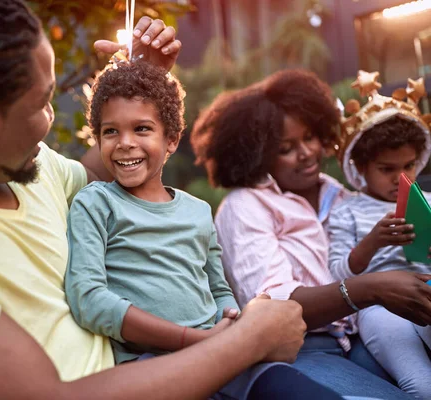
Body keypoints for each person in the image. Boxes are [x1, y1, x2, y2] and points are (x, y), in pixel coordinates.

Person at [0, 1, 307, 399]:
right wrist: (249, 339)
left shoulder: (23, 169)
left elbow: (111, 169)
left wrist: (142, 85)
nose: (50, 117)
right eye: (42, 103)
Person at [65, 61, 340, 400]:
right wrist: (192, 339)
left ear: (171, 140)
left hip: (229, 357)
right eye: (110, 131)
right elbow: (89, 300)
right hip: (151, 367)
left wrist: (231, 318)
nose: (124, 143)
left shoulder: (197, 211)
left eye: (141, 129)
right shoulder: (94, 203)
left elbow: (218, 287)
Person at [190, 68, 431, 399]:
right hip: (301, 351)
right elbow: (271, 306)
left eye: (310, 137)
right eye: (286, 148)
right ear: (259, 156)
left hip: (362, 339)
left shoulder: (340, 195)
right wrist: (371, 288)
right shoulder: (245, 205)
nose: (305, 153)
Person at [328, 72, 431, 397]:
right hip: (378, 308)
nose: (401, 177)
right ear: (360, 166)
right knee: (420, 385)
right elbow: (338, 273)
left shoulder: (427, 200)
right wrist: (374, 240)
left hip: (426, 287)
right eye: (387, 169)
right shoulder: (347, 210)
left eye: (410, 165)